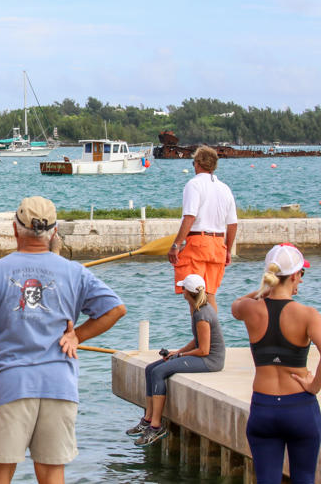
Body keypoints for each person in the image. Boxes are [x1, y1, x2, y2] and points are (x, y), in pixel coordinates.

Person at [0, 196, 126, 484]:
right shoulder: (75, 272)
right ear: (54, 232)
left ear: (14, 229)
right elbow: (116, 309)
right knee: (52, 474)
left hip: (10, 386)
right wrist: (77, 335)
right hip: (60, 386)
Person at [231, 243, 321, 484]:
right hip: (299, 407)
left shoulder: (249, 309)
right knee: (304, 478)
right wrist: (314, 386)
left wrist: (263, 290)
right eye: (301, 273)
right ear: (293, 276)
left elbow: (235, 305)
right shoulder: (308, 314)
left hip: (264, 408)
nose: (301, 279)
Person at [126, 274, 225, 446]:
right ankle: (147, 419)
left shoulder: (202, 314)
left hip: (211, 360)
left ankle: (156, 426)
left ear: (187, 292)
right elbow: (197, 339)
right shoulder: (197, 308)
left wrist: (180, 356)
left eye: (183, 288)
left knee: (158, 372)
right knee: (150, 369)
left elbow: (204, 350)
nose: (181, 291)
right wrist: (178, 352)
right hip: (203, 355)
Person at [168, 146, 237, 311]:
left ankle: (200, 328)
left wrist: (176, 245)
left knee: (194, 294)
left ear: (198, 163)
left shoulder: (194, 184)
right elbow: (232, 224)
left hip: (197, 243)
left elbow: (190, 217)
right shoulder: (224, 188)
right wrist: (228, 250)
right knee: (209, 294)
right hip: (218, 245)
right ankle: (213, 327)